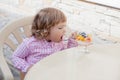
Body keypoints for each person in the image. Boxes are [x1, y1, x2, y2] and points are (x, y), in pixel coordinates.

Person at [12, 7, 78, 75]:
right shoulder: (30, 43)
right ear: (45, 30)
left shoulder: (60, 42)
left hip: (54, 73)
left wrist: (72, 41)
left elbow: (65, 54)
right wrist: (28, 68)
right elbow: (16, 57)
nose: (64, 30)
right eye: (60, 28)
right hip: (37, 75)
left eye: (64, 26)